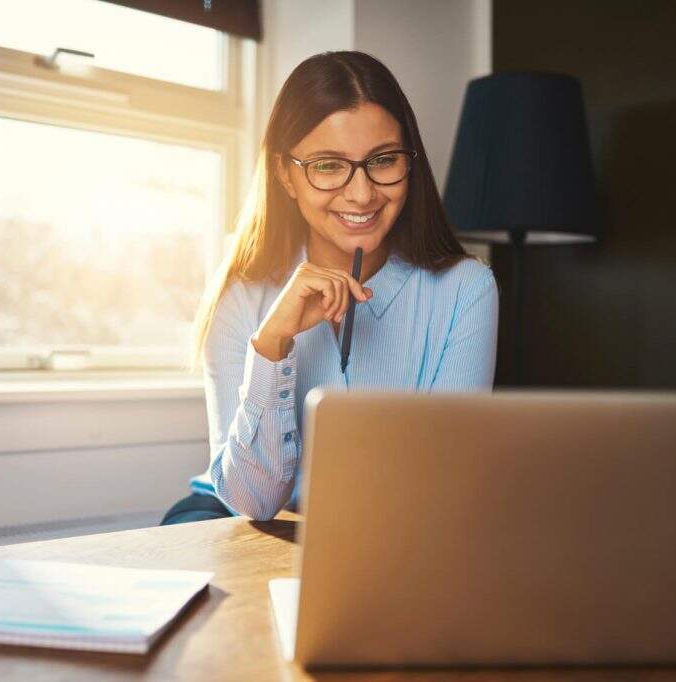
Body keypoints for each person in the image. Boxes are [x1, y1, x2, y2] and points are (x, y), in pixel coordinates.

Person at [160, 51, 498, 525]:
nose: (361, 194)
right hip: (236, 516)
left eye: (383, 160)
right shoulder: (241, 291)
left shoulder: (466, 289)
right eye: (327, 165)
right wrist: (272, 345)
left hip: (384, 529)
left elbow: (446, 482)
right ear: (285, 174)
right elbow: (252, 501)